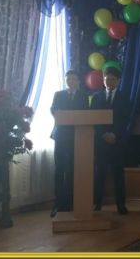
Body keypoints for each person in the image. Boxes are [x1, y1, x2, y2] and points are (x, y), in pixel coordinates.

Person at [90, 66, 131, 215]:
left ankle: (121, 204)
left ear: (118, 81)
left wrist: (114, 135)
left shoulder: (124, 97)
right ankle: (97, 203)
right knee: (99, 174)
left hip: (117, 142)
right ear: (103, 80)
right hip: (100, 143)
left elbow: (125, 120)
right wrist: (103, 134)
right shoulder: (96, 97)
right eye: (107, 79)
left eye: (113, 79)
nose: (109, 82)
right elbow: (93, 118)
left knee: (118, 174)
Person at [50, 70, 89, 218]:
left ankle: (71, 203)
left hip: (77, 136)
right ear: (66, 80)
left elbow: (85, 113)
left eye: (73, 79)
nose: (71, 81)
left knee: (73, 169)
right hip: (61, 135)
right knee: (59, 169)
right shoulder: (58, 94)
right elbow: (53, 110)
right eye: (68, 79)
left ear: (78, 81)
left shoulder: (83, 96)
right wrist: (59, 113)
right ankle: (58, 203)